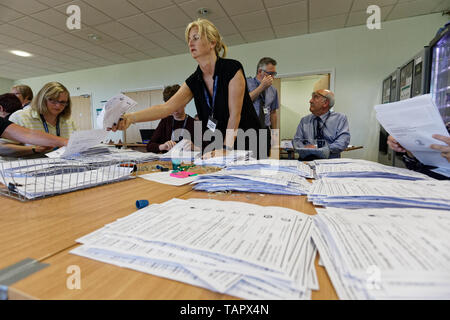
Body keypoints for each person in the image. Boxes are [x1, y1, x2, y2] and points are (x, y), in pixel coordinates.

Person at [110, 18, 265, 159]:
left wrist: (225, 148)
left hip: (249, 139)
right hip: (219, 144)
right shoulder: (195, 80)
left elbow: (234, 115)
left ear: (212, 42)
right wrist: (130, 118)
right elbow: (166, 107)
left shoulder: (232, 69)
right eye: (189, 39)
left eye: (196, 38)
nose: (190, 43)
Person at [293, 89, 350, 160]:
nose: (310, 101)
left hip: (330, 162)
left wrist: (321, 150)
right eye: (312, 97)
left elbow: (343, 141)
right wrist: (304, 148)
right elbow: (297, 140)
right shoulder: (304, 120)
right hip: (306, 161)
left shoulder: (340, 118)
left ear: (325, 103)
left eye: (315, 97)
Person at [9, 82, 76, 140]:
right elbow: (4, 149)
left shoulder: (68, 121)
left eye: (62, 102)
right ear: (42, 99)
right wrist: (34, 150)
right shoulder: (20, 117)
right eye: (52, 100)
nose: (58, 105)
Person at [146, 84, 196, 153]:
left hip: (187, 162)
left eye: (177, 106)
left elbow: (206, 149)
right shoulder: (165, 121)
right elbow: (149, 146)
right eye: (171, 107)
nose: (175, 110)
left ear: (184, 103)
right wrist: (163, 146)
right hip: (167, 162)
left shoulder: (195, 123)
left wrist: (194, 147)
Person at [0, 117, 67, 153]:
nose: (58, 105)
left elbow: (27, 134)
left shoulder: (67, 120)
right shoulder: (20, 116)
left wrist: (65, 142)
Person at [246, 57, 279, 130]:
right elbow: (244, 102)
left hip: (265, 129)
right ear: (260, 71)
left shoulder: (273, 90)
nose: (272, 77)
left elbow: (273, 113)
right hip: (248, 128)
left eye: (274, 74)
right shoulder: (246, 83)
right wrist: (261, 87)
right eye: (270, 73)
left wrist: (274, 134)